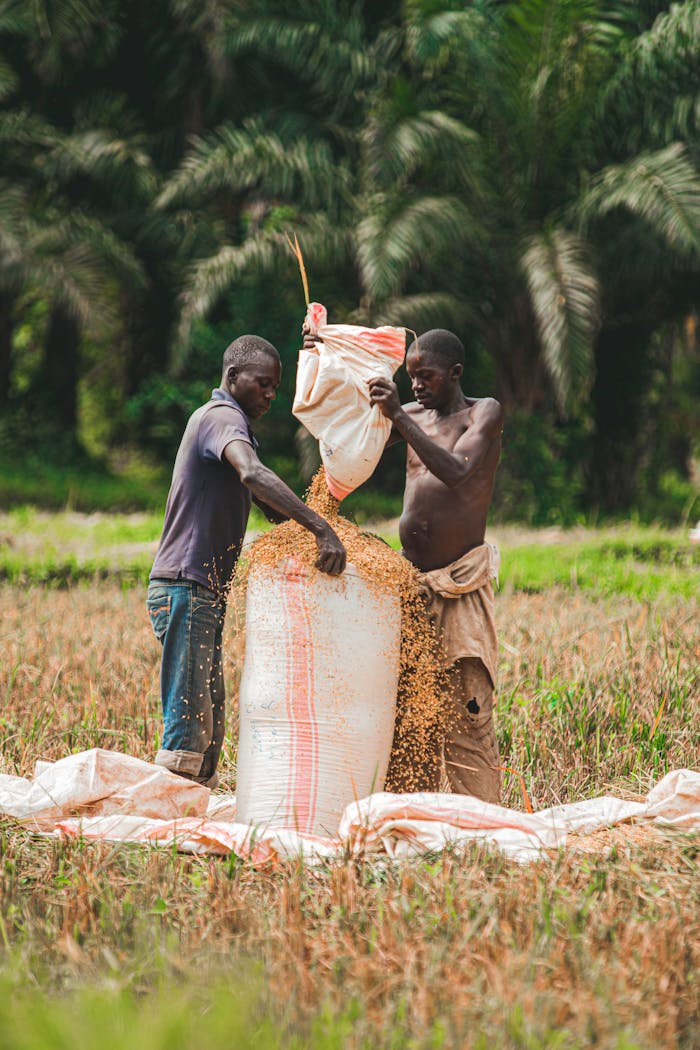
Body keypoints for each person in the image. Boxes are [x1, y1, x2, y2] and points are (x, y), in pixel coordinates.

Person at [147, 333, 346, 789]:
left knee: (209, 723)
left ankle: (191, 812)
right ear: (233, 377)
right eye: (264, 384)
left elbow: (269, 505)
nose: (271, 395)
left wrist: (322, 519)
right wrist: (319, 528)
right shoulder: (221, 418)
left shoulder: (233, 426)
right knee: (189, 729)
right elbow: (253, 474)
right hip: (186, 587)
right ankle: (168, 824)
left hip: (200, 594)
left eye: (276, 387)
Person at [368, 329, 503, 803]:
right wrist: (322, 352)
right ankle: (410, 815)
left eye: (425, 376)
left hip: (459, 584)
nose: (417, 386)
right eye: (410, 377)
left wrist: (401, 417)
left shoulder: (482, 412)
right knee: (410, 712)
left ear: (455, 373)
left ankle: (483, 824)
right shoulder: (412, 417)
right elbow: (351, 441)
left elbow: (458, 471)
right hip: (412, 583)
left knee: (465, 710)